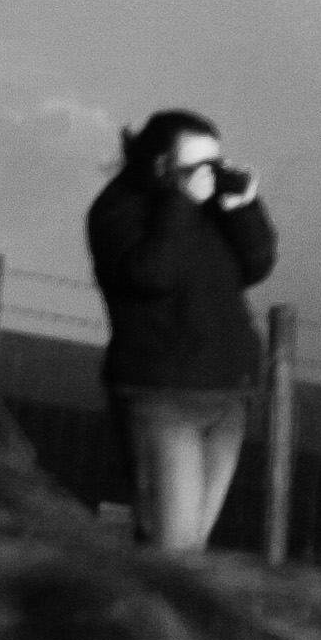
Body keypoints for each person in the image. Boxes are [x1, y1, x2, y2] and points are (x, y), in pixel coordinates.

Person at [83, 108, 277, 552]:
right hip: (161, 398)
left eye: (216, 163)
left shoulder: (210, 206)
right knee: (169, 550)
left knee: (190, 554)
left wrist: (243, 209)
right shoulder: (118, 210)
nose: (210, 176)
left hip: (227, 395)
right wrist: (182, 205)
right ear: (160, 165)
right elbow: (152, 274)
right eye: (197, 166)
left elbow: (256, 265)